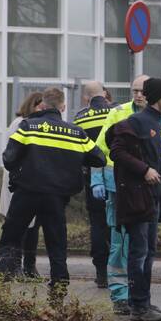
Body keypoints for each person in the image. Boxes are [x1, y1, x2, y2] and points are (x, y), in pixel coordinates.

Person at [0, 87, 105, 297]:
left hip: (26, 193)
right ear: (63, 107)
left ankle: (3, 280)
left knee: (11, 236)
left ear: (43, 105)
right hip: (56, 197)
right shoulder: (75, 132)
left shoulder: (28, 127)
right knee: (57, 242)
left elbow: (8, 158)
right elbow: (98, 158)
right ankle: (59, 286)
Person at [94, 75, 161, 314]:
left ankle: (141, 301)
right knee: (138, 251)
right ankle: (139, 306)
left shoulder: (157, 121)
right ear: (157, 97)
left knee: (148, 252)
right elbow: (116, 150)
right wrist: (144, 170)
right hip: (136, 199)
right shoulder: (136, 121)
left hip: (151, 198)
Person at [0, 91, 46, 277]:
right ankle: (15, 266)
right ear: (31, 106)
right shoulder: (20, 124)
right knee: (19, 227)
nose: (42, 111)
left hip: (33, 183)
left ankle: (29, 266)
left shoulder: (38, 124)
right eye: (39, 107)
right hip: (19, 182)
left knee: (33, 228)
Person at [73, 81, 113, 288]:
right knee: (116, 223)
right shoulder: (117, 112)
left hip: (91, 178)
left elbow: (77, 150)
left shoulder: (79, 118)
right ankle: (119, 270)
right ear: (105, 93)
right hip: (117, 175)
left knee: (97, 223)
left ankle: (101, 272)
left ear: (85, 98)